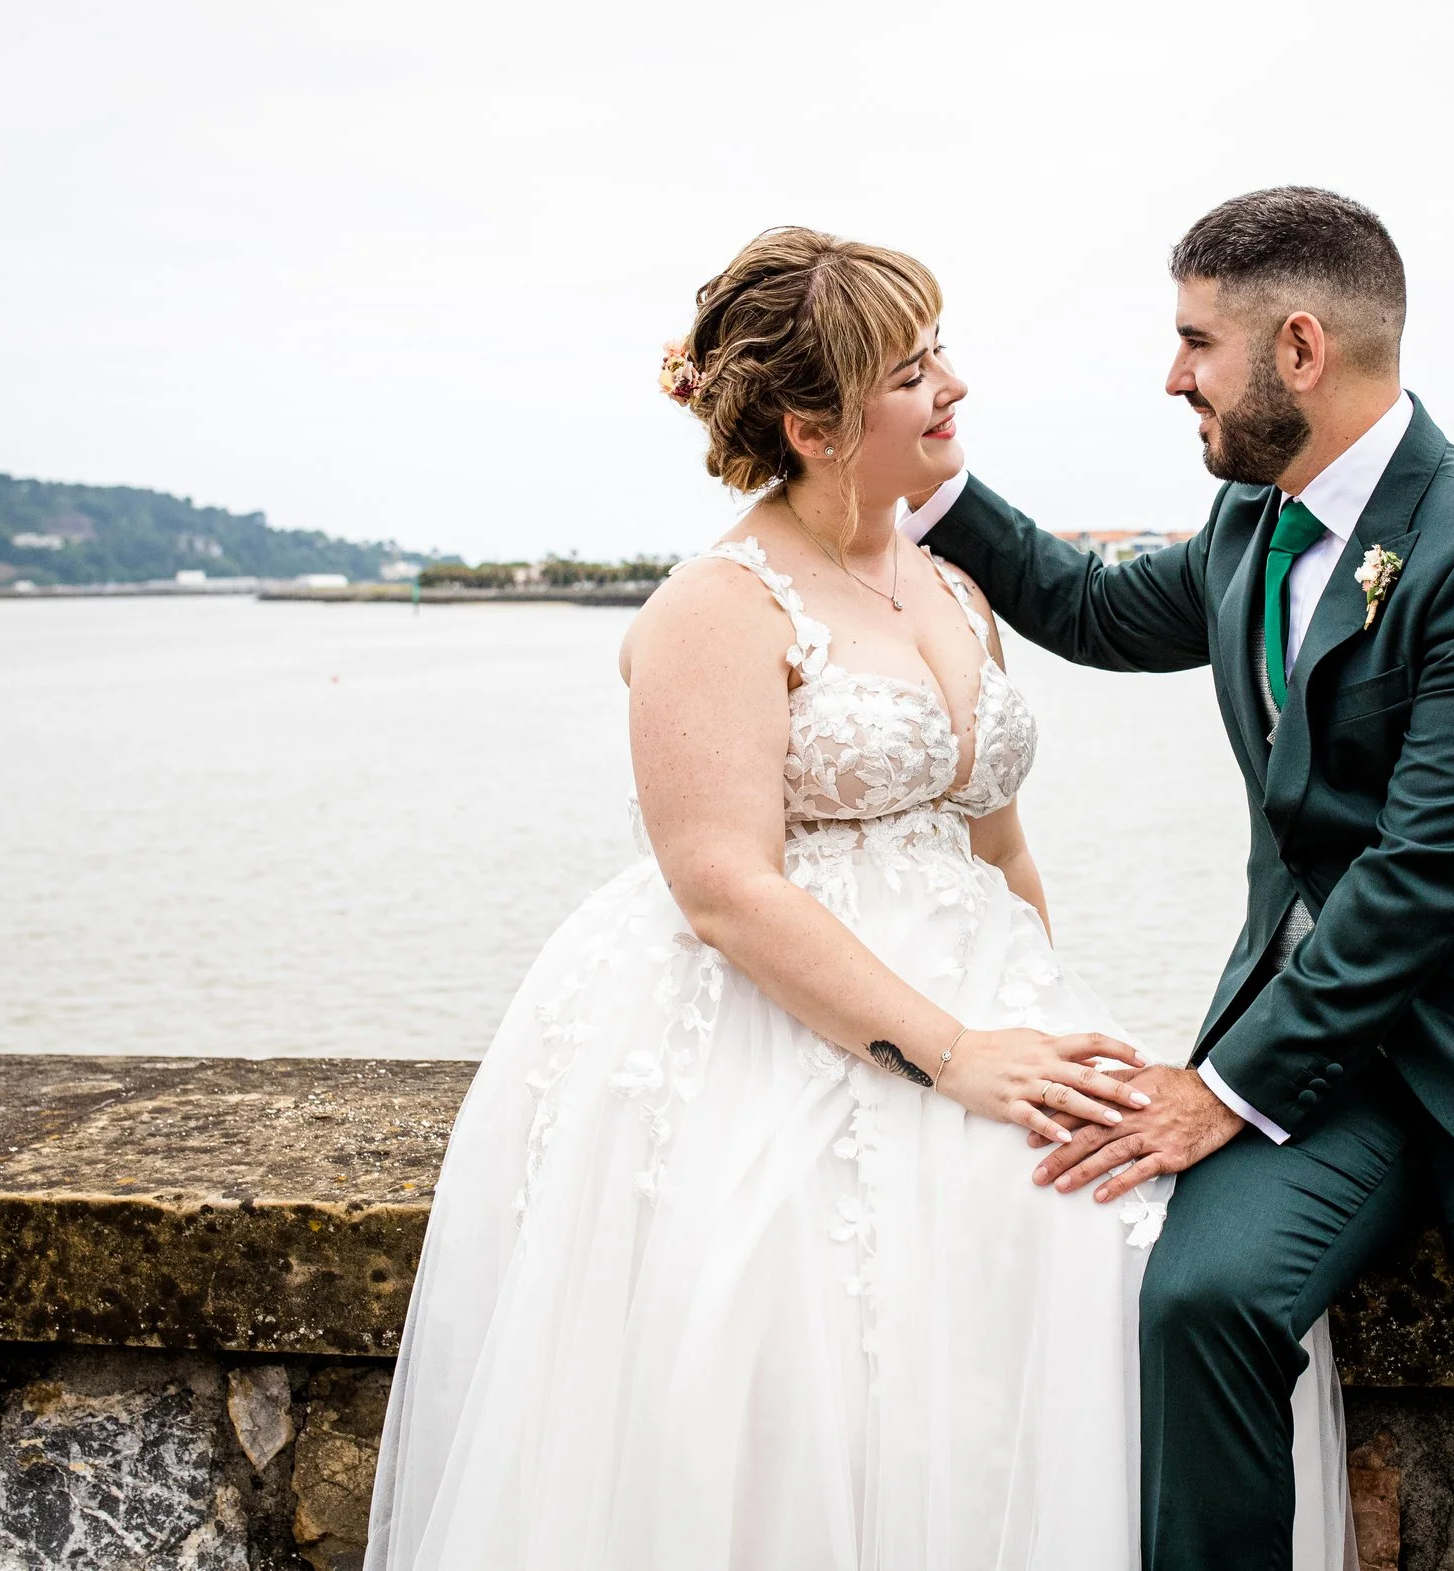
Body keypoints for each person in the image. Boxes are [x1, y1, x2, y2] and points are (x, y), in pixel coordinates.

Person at [362, 227, 1354, 1570]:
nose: (950, 389)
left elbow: (998, 844)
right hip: (778, 1031)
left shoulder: (953, 583)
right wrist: (957, 1057)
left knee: (1118, 1253)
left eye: (940, 352)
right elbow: (720, 886)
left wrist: (1034, 1007)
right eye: (908, 371)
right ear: (811, 423)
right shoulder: (717, 605)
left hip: (990, 1010)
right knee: (821, 1370)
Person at [902, 186, 1454, 1571]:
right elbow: (1094, 609)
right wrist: (931, 487)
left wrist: (1215, 1089)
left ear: (1296, 349)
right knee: (1199, 1301)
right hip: (1342, 1072)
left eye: (1193, 344)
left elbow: (1422, 876)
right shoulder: (1252, 528)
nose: (1173, 377)